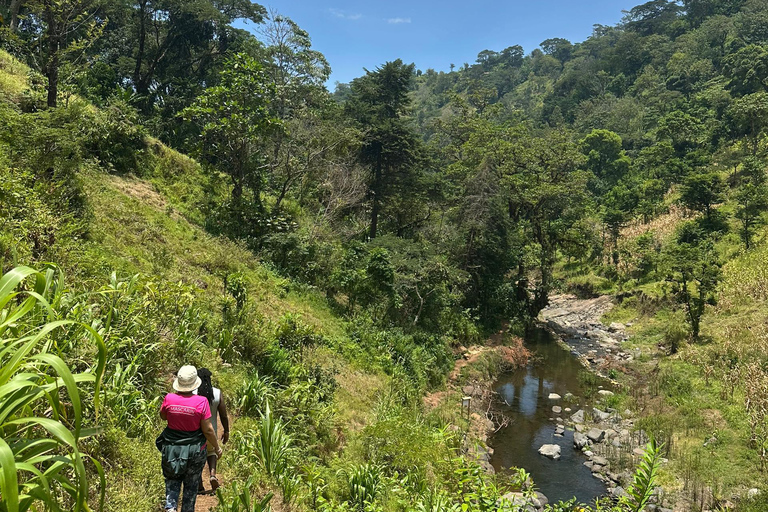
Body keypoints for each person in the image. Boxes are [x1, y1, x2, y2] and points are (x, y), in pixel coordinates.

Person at [156, 365, 222, 512]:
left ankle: (171, 507)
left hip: (171, 450)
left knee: (172, 482)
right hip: (194, 452)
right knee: (191, 489)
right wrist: (217, 448)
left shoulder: (169, 398)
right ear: (194, 384)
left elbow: (163, 416)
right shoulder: (201, 402)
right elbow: (208, 430)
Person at [195, 368, 230, 494]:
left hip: (196, 432)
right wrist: (226, 431)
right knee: (212, 452)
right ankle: (212, 474)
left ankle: (199, 483)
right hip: (212, 430)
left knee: (197, 456)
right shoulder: (217, 393)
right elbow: (224, 415)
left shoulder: (193, 393)